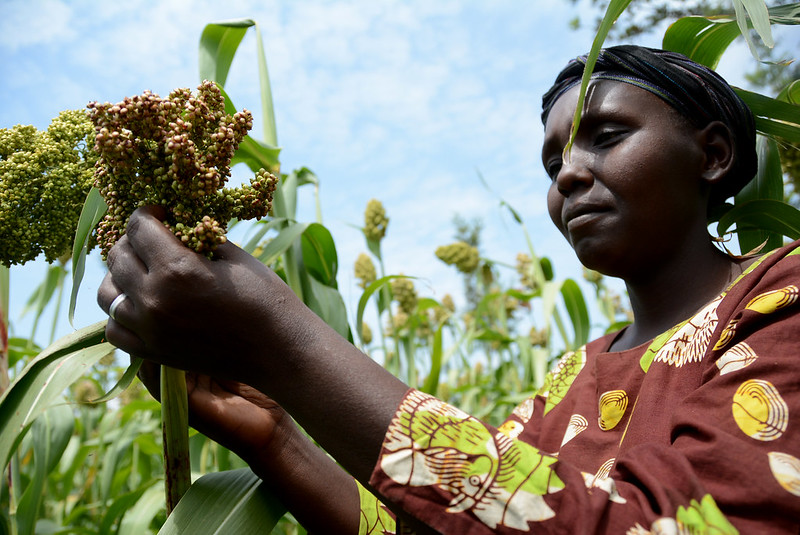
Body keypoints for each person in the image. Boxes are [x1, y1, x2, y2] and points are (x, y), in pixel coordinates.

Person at [98, 45, 800, 534]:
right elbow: (451, 522)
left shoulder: (783, 297)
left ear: (712, 155)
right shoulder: (572, 378)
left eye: (607, 137)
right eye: (554, 161)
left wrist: (280, 338)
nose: (568, 176)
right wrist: (276, 434)